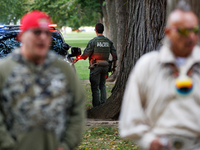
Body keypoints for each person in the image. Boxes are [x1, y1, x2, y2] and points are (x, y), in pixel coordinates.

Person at [0, 10, 85, 150]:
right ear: (22, 37)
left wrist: (66, 144)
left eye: (47, 33)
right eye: (37, 32)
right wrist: (8, 145)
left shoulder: (64, 69)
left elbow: (77, 108)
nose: (43, 37)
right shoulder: (4, 69)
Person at [119, 4, 200, 150]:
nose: (191, 36)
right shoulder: (148, 65)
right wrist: (149, 140)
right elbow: (130, 116)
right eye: (183, 31)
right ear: (168, 32)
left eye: (195, 30)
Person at [74, 23, 117, 107]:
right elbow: (115, 56)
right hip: (106, 66)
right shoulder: (108, 42)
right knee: (102, 85)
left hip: (95, 66)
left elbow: (85, 55)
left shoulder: (93, 41)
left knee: (95, 87)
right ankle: (103, 105)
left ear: (96, 30)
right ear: (103, 30)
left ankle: (96, 107)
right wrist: (114, 67)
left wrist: (77, 59)